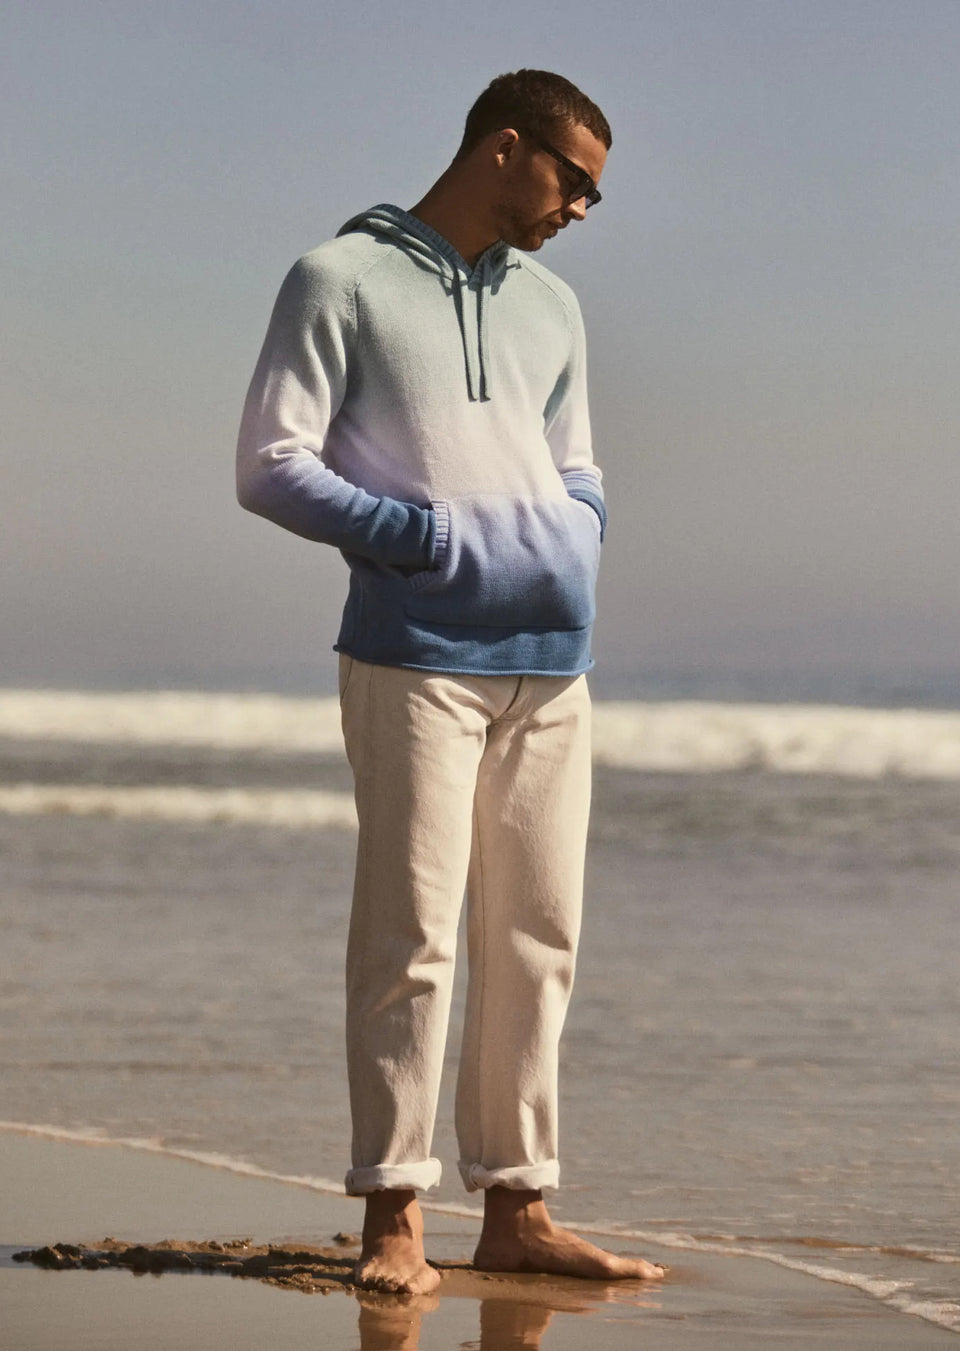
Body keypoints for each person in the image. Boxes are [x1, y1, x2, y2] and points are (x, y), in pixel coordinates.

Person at [237, 69, 664, 1293]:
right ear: (504, 148)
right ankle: (393, 1217)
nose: (581, 208)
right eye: (574, 181)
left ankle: (519, 1208)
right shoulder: (338, 279)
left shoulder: (554, 306)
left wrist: (573, 536)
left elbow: (577, 463)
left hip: (553, 664)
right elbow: (269, 464)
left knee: (538, 936)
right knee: (411, 937)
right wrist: (423, 539)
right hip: (413, 655)